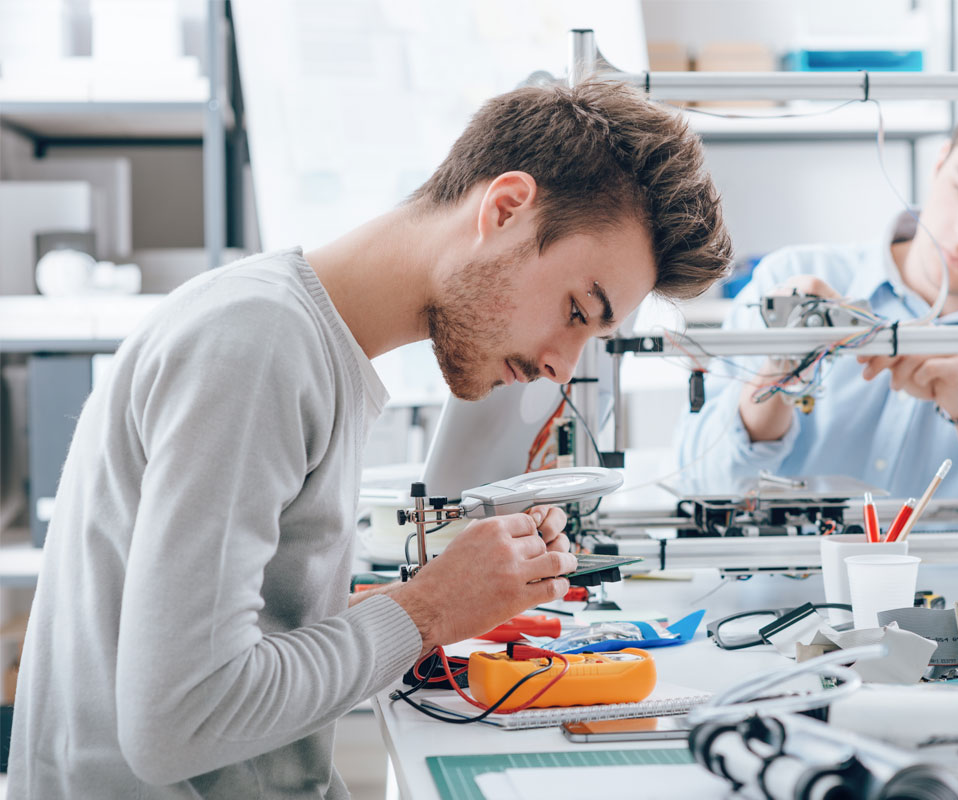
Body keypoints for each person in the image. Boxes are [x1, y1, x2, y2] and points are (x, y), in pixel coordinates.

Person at [8, 80, 731, 798]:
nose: (560, 366)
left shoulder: (305, 344)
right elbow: (179, 720)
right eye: (578, 309)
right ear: (506, 209)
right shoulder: (257, 345)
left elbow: (244, 648)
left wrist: (444, 603)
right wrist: (427, 610)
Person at [675, 94, 958, 501]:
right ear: (940, 163)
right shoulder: (791, 277)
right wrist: (774, 375)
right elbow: (696, 483)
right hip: (784, 585)